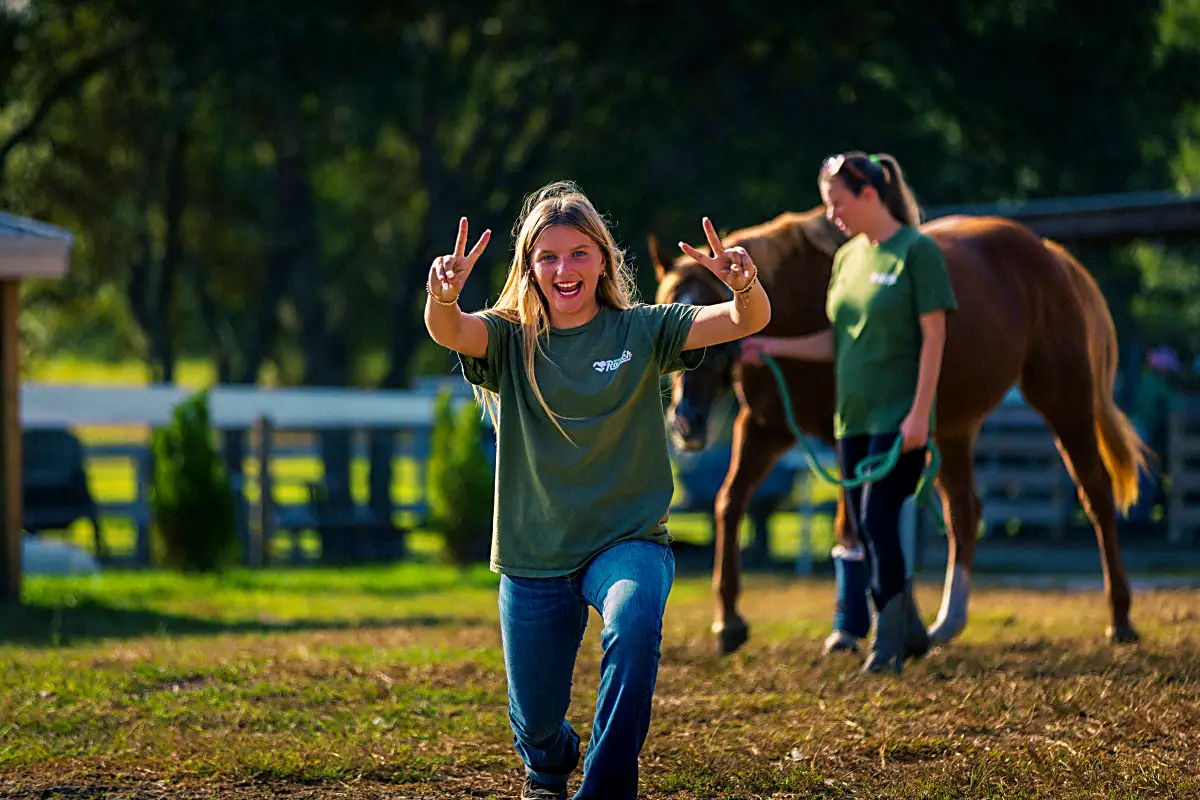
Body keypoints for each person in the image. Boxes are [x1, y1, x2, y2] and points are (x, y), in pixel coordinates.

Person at [424, 180, 771, 799]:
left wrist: (743, 285)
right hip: (535, 555)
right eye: (549, 256)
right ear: (530, 268)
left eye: (580, 253)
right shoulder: (510, 339)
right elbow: (451, 332)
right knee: (535, 723)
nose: (565, 269)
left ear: (604, 259)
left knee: (634, 622)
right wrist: (443, 298)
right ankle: (550, 761)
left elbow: (746, 320)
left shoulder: (641, 330)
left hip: (627, 543)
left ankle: (606, 790)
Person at [740, 152, 958, 674]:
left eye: (837, 203)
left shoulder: (917, 252)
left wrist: (919, 415)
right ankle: (906, 629)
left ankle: (888, 641)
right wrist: (773, 347)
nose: (831, 215)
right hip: (852, 421)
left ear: (868, 195)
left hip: (899, 418)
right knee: (866, 524)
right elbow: (838, 341)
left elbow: (935, 338)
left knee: (878, 521)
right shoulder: (848, 259)